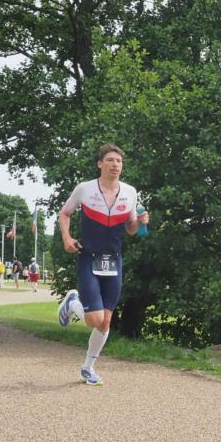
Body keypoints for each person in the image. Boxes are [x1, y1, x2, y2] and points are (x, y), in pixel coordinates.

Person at [57, 143, 148, 385]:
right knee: (94, 320)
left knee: (106, 321)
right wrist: (67, 238)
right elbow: (64, 213)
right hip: (89, 257)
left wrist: (139, 221)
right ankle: (72, 302)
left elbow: (131, 230)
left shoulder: (130, 192)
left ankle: (88, 367)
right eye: (110, 160)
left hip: (114, 262)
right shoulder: (85, 189)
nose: (115, 165)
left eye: (118, 161)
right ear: (100, 164)